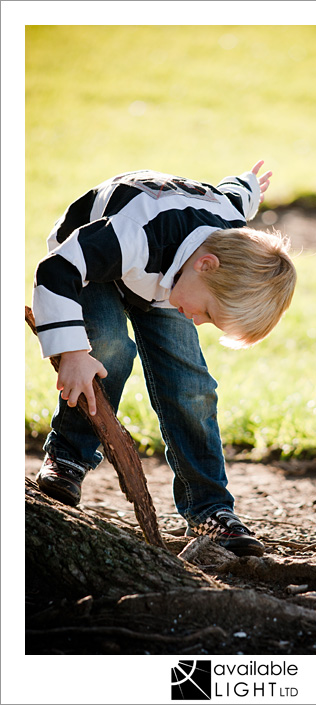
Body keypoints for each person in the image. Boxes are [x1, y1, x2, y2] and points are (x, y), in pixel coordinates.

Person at [32, 160, 297, 556]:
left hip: (165, 280)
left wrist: (250, 185)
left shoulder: (220, 243)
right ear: (206, 265)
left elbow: (234, 198)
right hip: (90, 266)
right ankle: (67, 456)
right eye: (208, 313)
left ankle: (210, 509)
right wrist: (71, 352)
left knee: (192, 388)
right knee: (107, 348)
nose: (201, 323)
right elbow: (57, 269)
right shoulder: (135, 235)